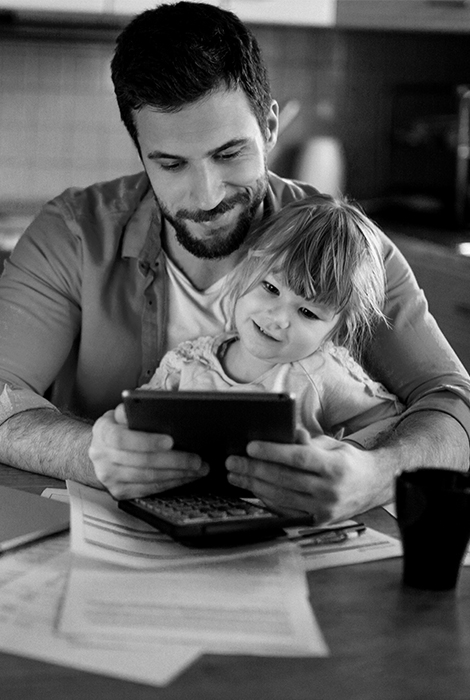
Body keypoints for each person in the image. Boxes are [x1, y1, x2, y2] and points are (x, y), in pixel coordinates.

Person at [0, 2, 468, 526]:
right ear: (140, 151)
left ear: (269, 126)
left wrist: (376, 474)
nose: (205, 196)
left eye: (229, 154)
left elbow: (454, 404)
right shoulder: (71, 234)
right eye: (172, 164)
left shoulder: (344, 251)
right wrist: (89, 452)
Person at [143, 194, 404, 450]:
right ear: (247, 269)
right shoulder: (187, 365)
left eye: (308, 313)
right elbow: (138, 425)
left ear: (336, 329)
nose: (278, 319)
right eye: (270, 287)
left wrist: (341, 452)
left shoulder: (323, 374)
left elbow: (392, 421)